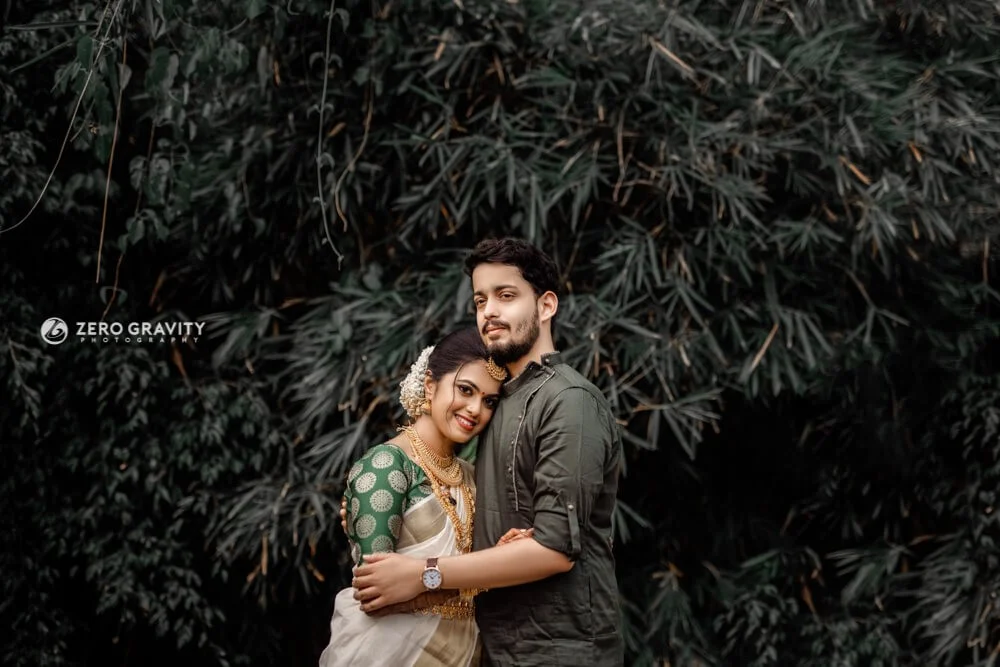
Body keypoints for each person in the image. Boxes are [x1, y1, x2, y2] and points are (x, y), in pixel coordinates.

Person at [351, 238, 624, 666]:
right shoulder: (499, 404)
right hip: (492, 646)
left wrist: (424, 572)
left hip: (559, 648)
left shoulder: (568, 401)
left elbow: (554, 550)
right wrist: (384, 506)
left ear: (546, 305)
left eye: (506, 295)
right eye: (481, 300)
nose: (489, 311)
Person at [318, 326, 527, 667]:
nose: (475, 409)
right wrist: (490, 572)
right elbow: (376, 597)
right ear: (430, 385)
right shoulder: (386, 466)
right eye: (465, 390)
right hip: (386, 653)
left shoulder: (471, 476)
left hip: (461, 652)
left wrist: (497, 558)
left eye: (489, 401)